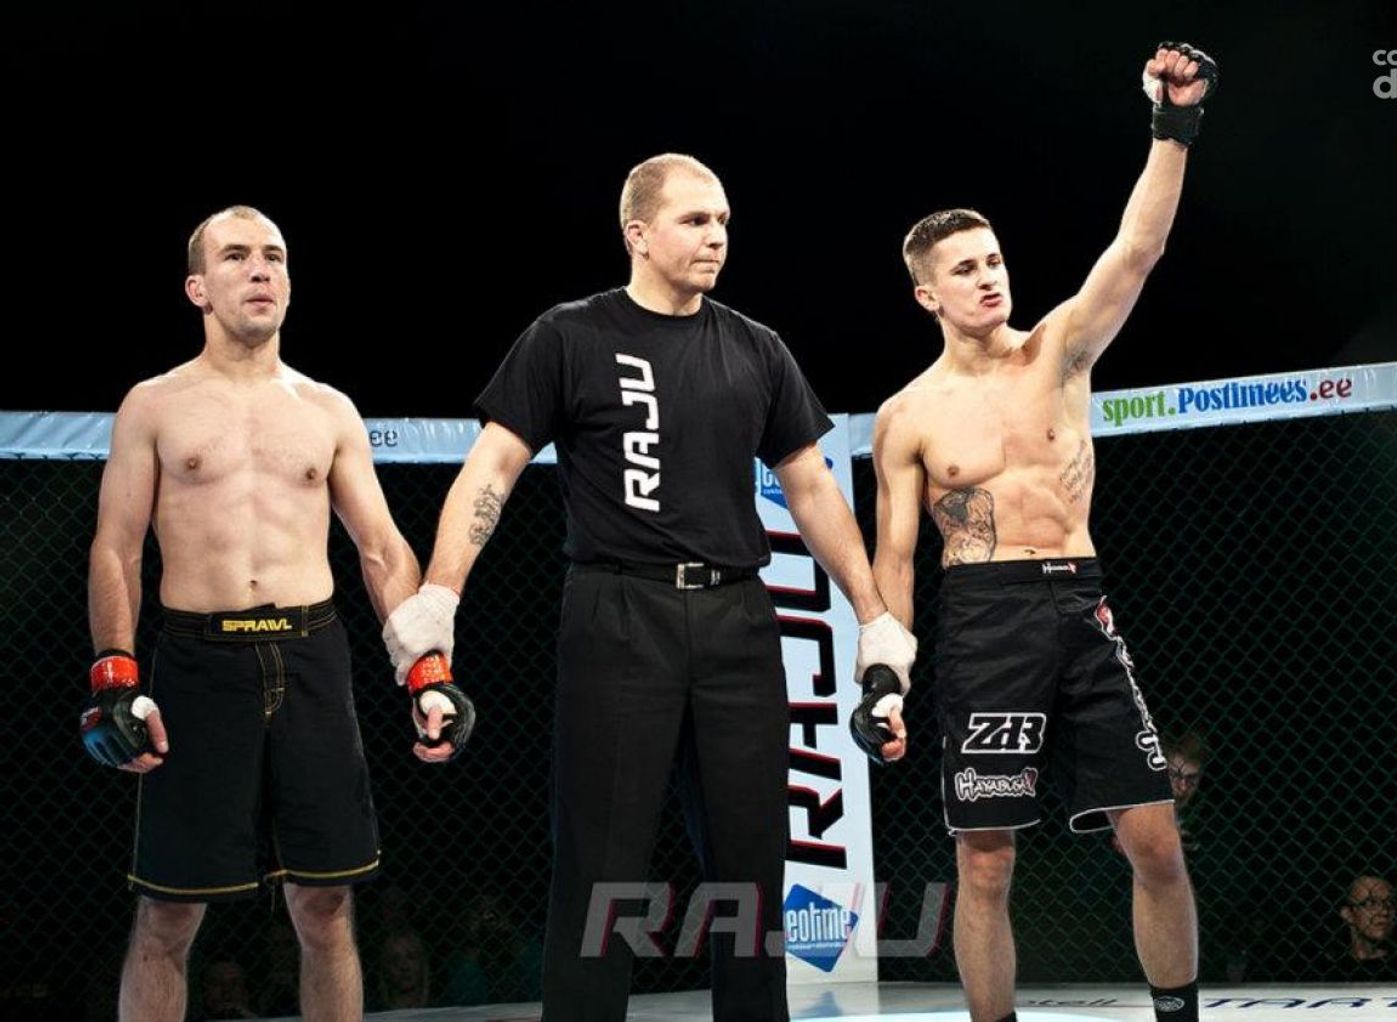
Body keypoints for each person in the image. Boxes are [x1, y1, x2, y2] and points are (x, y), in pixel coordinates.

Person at [381, 153, 917, 1022]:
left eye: (724, 221)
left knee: (752, 870)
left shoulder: (756, 347)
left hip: (740, 619)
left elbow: (813, 487)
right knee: (601, 869)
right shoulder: (570, 335)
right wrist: (439, 599)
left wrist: (875, 618)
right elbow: (493, 468)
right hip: (618, 613)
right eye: (695, 220)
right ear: (637, 232)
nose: (717, 237)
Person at [870, 43, 1217, 1022]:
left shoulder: (1059, 350)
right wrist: (882, 676)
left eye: (993, 260)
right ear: (927, 295)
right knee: (984, 859)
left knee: (1155, 840)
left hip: (1080, 599)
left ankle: (1180, 1015)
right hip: (983, 619)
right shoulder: (907, 416)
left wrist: (1175, 125)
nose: (988, 278)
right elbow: (896, 558)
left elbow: (1137, 248)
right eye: (964, 269)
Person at [81, 205, 434, 1022]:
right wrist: (114, 676)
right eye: (236, 256)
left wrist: (427, 668)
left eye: (273, 256)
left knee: (327, 905)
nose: (260, 270)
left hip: (311, 659)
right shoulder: (153, 404)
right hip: (199, 666)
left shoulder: (328, 408)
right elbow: (116, 548)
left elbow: (381, 548)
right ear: (198, 288)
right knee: (169, 912)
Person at [1324, 874, 1397, 981]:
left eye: (1390, 903)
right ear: (1348, 914)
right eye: (1371, 903)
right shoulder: (1329, 974)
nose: (1384, 911)